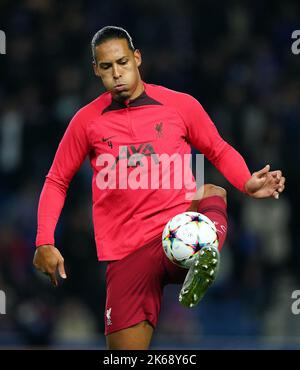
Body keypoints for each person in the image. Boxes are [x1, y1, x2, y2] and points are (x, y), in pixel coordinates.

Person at [33, 26, 285, 350]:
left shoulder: (179, 105)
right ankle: (200, 254)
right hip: (127, 252)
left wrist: (248, 183)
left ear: (137, 58)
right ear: (96, 69)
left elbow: (218, 149)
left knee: (210, 190)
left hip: (177, 228)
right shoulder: (86, 121)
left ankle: (201, 255)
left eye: (123, 62)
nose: (117, 73)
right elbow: (56, 180)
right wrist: (44, 242)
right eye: (107, 67)